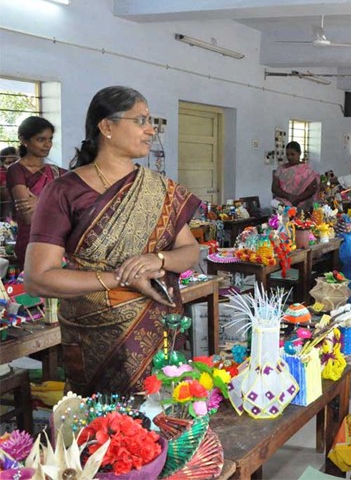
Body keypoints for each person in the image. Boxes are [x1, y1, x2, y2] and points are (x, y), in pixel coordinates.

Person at [24, 86, 201, 395]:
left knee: (163, 419)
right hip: (95, 337)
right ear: (106, 126)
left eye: (150, 121)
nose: (150, 130)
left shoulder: (160, 188)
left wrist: (157, 259)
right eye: (140, 120)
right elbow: (38, 278)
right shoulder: (64, 191)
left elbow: (190, 251)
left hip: (159, 329)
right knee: (105, 432)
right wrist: (121, 277)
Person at [6, 117, 66, 268]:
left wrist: (41, 202)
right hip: (31, 242)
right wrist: (57, 204)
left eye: (50, 139)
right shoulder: (16, 170)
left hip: (58, 241)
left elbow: (75, 205)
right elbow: (28, 217)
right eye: (41, 139)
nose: (48, 145)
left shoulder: (57, 172)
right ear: (23, 140)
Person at [272, 141, 319, 211]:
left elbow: (312, 189)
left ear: (299, 153)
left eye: (292, 154)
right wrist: (289, 196)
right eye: (287, 154)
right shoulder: (281, 169)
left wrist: (297, 198)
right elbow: (274, 188)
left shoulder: (307, 170)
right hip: (282, 204)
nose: (289, 157)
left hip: (301, 205)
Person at [0, 146, 19, 220]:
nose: (12, 165)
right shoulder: (2, 174)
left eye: (15, 161)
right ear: (3, 164)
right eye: (8, 163)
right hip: (7, 207)